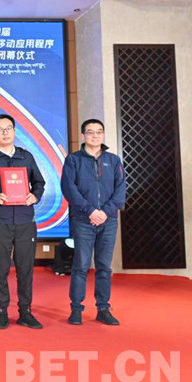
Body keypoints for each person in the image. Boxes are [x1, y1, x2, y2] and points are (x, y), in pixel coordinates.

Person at [0, 114, 46, 329]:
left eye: (8, 128)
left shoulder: (26, 157)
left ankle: (25, 312)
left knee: (25, 269)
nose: (5, 133)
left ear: (14, 131)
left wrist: (35, 196)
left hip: (25, 220)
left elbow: (39, 183)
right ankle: (2, 311)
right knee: (0, 269)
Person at [60, 119, 126, 326]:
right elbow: (69, 189)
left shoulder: (113, 160)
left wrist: (105, 212)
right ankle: (76, 309)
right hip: (83, 220)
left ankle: (103, 309)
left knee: (104, 267)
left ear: (103, 135)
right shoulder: (73, 160)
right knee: (80, 265)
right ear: (83, 136)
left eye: (99, 132)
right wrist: (90, 211)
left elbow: (120, 189)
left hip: (108, 220)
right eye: (90, 132)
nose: (95, 136)